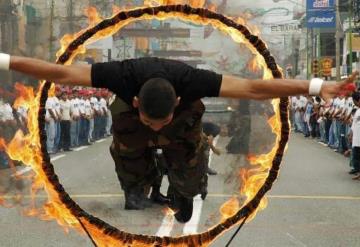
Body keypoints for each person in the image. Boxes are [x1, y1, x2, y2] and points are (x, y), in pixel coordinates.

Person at [1, 54, 357, 222]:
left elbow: (253, 87)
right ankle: (140, 177)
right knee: (124, 140)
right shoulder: (119, 76)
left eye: (161, 122)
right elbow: (57, 70)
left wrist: (315, 86)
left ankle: (184, 179)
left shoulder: (192, 80)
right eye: (151, 121)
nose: (156, 127)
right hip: (132, 112)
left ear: (174, 102)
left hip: (184, 116)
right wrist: (3, 59)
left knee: (187, 159)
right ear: (139, 102)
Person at [349, 92, 360, 180]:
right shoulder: (357, 110)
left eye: (354, 101)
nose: (354, 103)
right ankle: (359, 173)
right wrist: (351, 134)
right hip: (356, 138)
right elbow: (354, 124)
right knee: (356, 157)